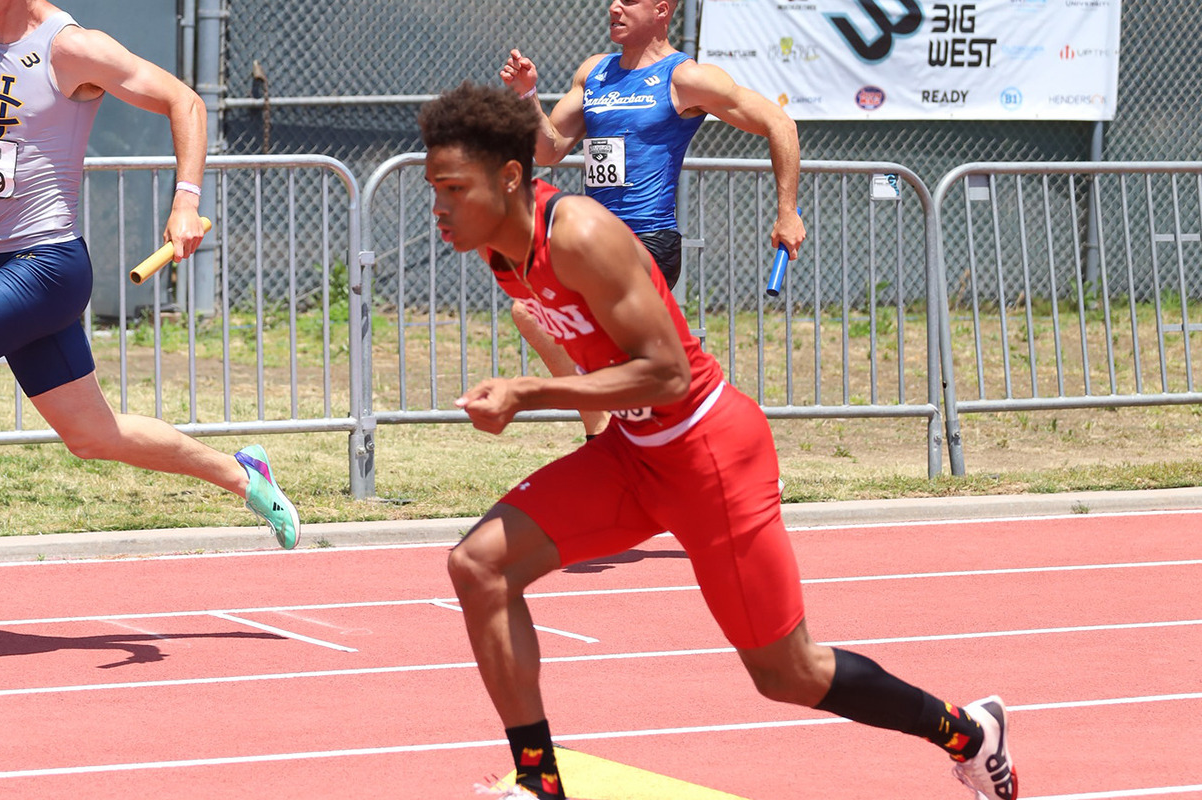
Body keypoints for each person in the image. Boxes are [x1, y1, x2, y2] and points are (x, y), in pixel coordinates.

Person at [419, 82, 1016, 800]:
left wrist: (531, 393)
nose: (439, 205)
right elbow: (589, 349)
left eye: (453, 187)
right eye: (433, 187)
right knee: (477, 567)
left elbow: (667, 374)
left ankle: (968, 732)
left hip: (709, 451)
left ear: (510, 177)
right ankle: (541, 784)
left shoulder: (577, 233)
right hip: (635, 458)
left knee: (786, 673)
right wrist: (547, 393)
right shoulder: (499, 253)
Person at [0, 0, 300, 593]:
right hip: (1, 262)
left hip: (47, 266)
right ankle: (244, 475)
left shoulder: (70, 47)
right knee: (93, 435)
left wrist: (185, 203)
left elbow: (186, 100)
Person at [498, 0, 804, 439]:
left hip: (648, 241)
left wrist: (787, 210)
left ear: (662, 11)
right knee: (538, 314)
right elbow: (547, 149)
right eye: (612, 2)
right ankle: (621, 433)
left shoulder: (685, 78)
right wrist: (527, 96)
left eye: (629, 1)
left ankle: (608, 435)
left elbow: (780, 124)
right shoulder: (595, 73)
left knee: (549, 317)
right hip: (595, 241)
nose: (614, 8)